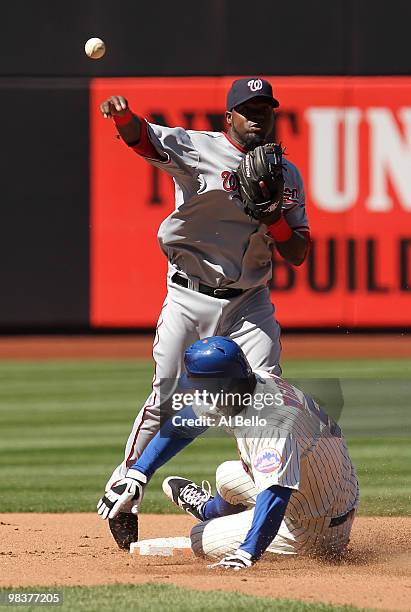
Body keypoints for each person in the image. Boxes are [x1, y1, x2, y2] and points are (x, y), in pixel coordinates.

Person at [99, 77, 311, 549]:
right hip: (188, 294)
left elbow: (297, 252)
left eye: (265, 108)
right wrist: (122, 117)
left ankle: (253, 496)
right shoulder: (198, 149)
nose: (257, 116)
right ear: (228, 117)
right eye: (247, 109)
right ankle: (126, 489)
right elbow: (144, 139)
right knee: (167, 398)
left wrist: (274, 216)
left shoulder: (287, 174)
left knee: (264, 399)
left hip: (249, 303)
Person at [98, 337, 359, 568]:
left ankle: (231, 529)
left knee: (200, 539)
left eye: (198, 384)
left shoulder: (271, 424)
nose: (194, 390)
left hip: (315, 527)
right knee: (226, 475)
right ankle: (211, 510)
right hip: (332, 487)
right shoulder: (247, 384)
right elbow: (181, 426)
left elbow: (276, 495)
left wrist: (247, 553)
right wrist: (138, 474)